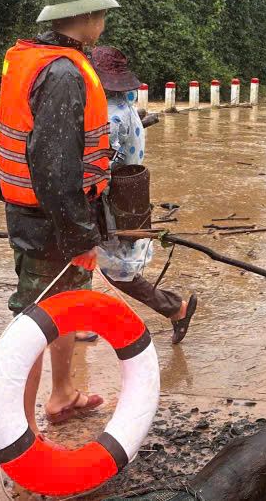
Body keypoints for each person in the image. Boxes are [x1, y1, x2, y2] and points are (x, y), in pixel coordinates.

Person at [0, 0, 118, 430]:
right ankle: (16, 430)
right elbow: (53, 167)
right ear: (84, 17)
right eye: (101, 12)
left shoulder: (40, 59)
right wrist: (80, 235)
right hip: (52, 219)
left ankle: (63, 393)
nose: (104, 20)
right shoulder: (64, 74)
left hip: (39, 212)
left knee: (65, 303)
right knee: (34, 318)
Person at [87, 46, 198, 343]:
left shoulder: (112, 117)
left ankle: (175, 308)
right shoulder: (125, 107)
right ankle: (82, 322)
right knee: (95, 262)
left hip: (110, 201)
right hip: (127, 196)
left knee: (111, 269)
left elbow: (99, 167)